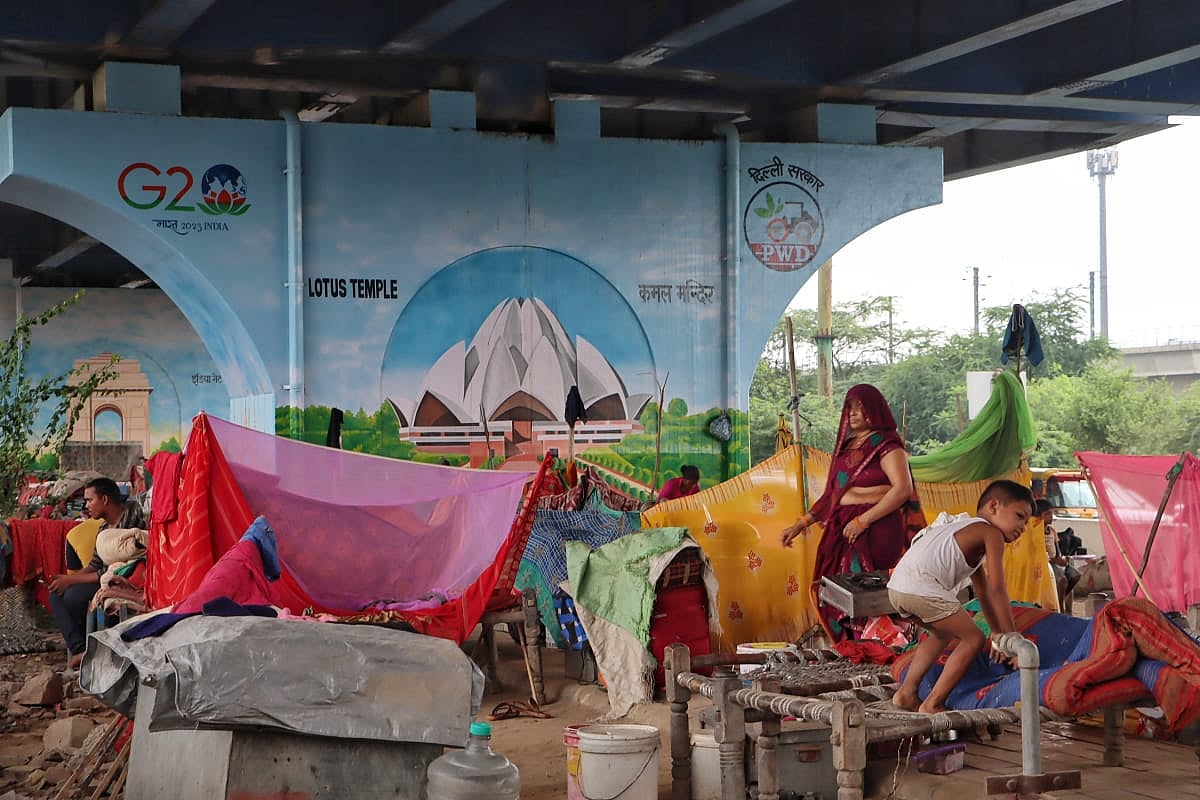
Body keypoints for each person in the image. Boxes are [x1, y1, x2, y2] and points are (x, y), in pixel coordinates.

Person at [780, 384, 915, 640]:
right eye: (849, 407)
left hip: (875, 529)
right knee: (836, 591)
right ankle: (853, 648)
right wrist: (800, 525)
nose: (852, 413)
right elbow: (833, 494)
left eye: (859, 407)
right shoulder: (848, 447)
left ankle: (878, 645)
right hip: (842, 529)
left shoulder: (886, 444)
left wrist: (863, 521)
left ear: (874, 409)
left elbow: (902, 490)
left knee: (866, 592)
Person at [887, 479, 1034, 714]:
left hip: (898, 588)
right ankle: (933, 703)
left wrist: (998, 634)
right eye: (1019, 516)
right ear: (994, 506)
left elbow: (984, 593)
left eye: (1026, 522)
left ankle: (906, 693)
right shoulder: (990, 533)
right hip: (921, 586)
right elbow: (998, 589)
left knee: (941, 634)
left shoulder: (965, 529)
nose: (1023, 527)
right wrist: (1013, 639)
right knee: (974, 639)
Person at [46, 477, 144, 669]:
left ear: (105, 500)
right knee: (56, 594)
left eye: (90, 500)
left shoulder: (132, 514)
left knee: (74, 596)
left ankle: (90, 648)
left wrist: (71, 582)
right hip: (102, 577)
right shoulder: (103, 528)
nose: (86, 505)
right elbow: (94, 565)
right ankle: (79, 649)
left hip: (123, 577)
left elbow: (112, 567)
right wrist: (67, 580)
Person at [1035, 498, 1079, 610]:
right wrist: (1054, 560)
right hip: (1046, 563)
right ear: (1039, 516)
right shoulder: (1035, 532)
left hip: (1055, 561)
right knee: (1063, 580)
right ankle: (1060, 606)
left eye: (1052, 513)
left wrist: (1061, 559)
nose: (1051, 516)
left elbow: (1057, 549)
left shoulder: (1052, 531)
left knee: (1075, 576)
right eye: (1047, 514)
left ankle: (1061, 596)